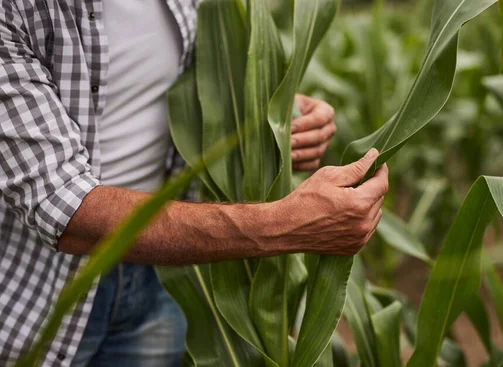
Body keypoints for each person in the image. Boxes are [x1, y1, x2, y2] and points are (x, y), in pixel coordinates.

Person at [0, 1, 389, 366]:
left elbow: (196, 77)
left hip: (173, 269)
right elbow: (63, 205)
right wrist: (287, 224)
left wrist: (275, 113)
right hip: (40, 289)